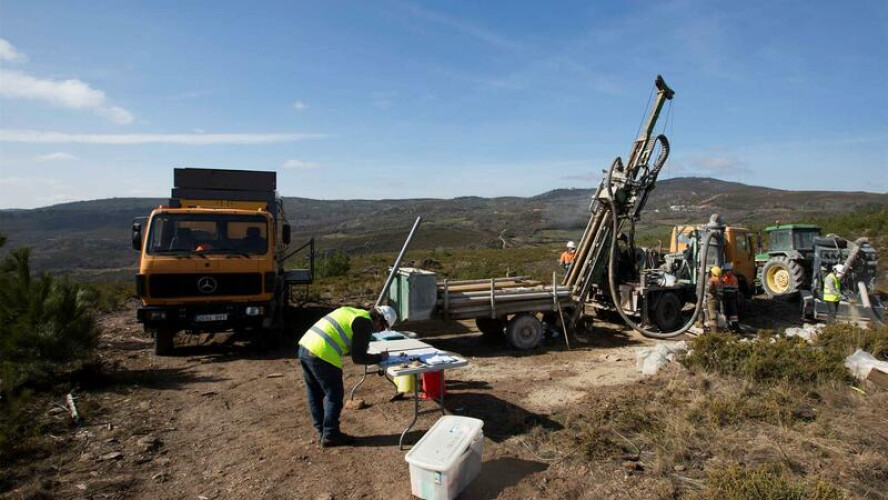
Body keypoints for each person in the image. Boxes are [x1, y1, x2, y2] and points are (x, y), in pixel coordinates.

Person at [298, 305, 397, 447]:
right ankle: (331, 434)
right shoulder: (365, 323)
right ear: (379, 321)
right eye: (382, 328)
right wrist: (380, 357)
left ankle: (323, 431)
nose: (379, 331)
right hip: (322, 353)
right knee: (334, 395)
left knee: (315, 393)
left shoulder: (355, 312)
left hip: (306, 346)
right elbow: (358, 358)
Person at [720, 263, 741, 332]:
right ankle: (726, 326)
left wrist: (737, 297)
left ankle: (735, 326)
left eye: (730, 270)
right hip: (725, 298)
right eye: (728, 271)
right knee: (725, 312)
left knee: (734, 313)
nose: (729, 272)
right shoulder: (722, 278)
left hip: (732, 298)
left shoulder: (734, 278)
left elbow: (736, 289)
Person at [704, 266, 722, 332]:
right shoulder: (720, 280)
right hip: (717, 300)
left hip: (711, 300)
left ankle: (713, 333)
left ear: (713, 273)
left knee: (712, 317)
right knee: (716, 315)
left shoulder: (712, 280)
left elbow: (707, 289)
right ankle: (717, 330)